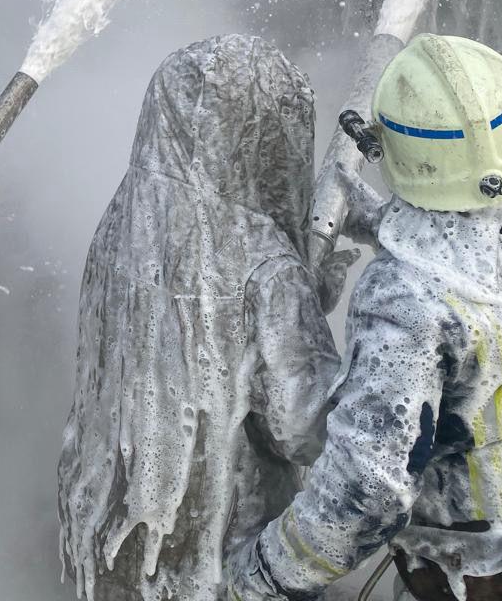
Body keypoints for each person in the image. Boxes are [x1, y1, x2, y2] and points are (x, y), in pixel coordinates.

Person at [228, 34, 502, 601]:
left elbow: (365, 490)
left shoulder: (403, 298)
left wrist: (262, 574)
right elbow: (494, 292)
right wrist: (386, 226)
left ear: (396, 152)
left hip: (501, 576)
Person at [58, 35, 354, 601]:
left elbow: (180, 350)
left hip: (115, 541)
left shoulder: (124, 219)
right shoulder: (262, 263)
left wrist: (299, 297)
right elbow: (308, 428)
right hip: (222, 561)